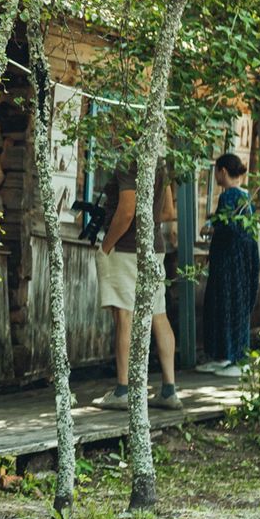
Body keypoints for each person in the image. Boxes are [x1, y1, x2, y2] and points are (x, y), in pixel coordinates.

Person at [91, 164, 183, 411]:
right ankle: (169, 390)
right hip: (155, 247)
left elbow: (127, 211)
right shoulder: (159, 161)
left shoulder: (128, 162)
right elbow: (167, 211)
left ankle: (123, 390)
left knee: (124, 314)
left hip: (126, 249)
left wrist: (106, 246)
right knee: (158, 314)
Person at [197, 152, 258, 379]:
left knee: (227, 304)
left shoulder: (229, 196)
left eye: (216, 171)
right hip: (242, 258)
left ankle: (236, 357)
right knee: (232, 303)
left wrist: (211, 227)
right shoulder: (245, 196)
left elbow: (229, 228)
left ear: (222, 171)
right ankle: (227, 355)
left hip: (229, 260)